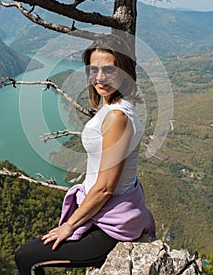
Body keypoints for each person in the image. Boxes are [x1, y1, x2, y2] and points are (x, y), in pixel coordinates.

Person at [15, 36, 156, 275]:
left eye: (109, 70)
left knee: (26, 257)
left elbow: (105, 188)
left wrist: (69, 225)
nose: (99, 78)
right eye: (94, 70)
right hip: (107, 214)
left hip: (109, 226)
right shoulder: (115, 107)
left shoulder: (117, 117)